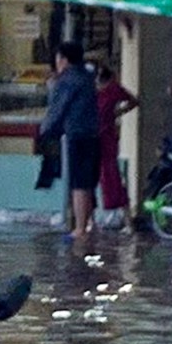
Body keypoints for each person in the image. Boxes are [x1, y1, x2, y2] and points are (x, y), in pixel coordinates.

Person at [33, 41, 100, 232]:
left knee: (78, 183)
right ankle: (88, 224)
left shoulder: (67, 80)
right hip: (92, 134)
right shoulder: (88, 77)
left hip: (75, 134)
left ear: (63, 59)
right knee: (87, 183)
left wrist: (45, 131)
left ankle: (79, 228)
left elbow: (57, 110)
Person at [94, 64, 140, 227]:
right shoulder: (112, 89)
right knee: (110, 177)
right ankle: (127, 222)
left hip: (100, 137)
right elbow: (134, 101)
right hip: (104, 137)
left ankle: (89, 221)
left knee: (104, 177)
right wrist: (117, 113)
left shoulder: (98, 90)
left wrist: (116, 113)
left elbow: (133, 101)